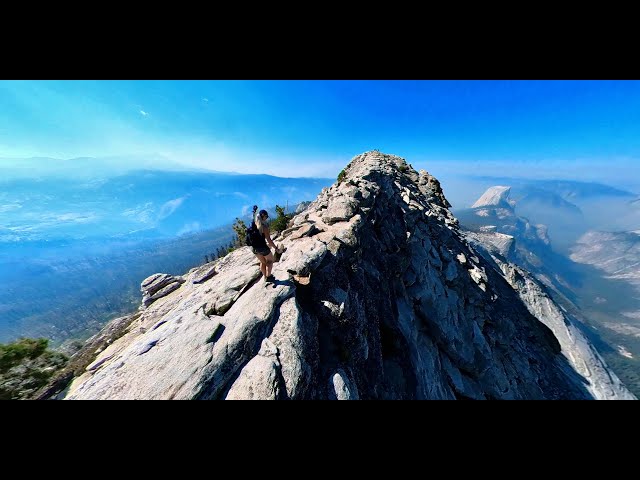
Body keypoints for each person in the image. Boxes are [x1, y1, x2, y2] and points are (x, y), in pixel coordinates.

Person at [251, 205, 278, 282]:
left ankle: (265, 276)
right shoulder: (263, 227)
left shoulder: (254, 223)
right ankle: (269, 277)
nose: (267, 218)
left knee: (263, 262)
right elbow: (269, 240)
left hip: (254, 248)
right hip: (262, 247)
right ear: (263, 216)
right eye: (266, 217)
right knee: (270, 261)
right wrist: (276, 248)